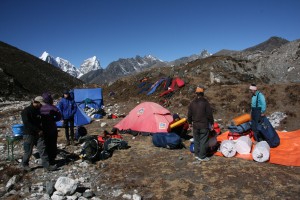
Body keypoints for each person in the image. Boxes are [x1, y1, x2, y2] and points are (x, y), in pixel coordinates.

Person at [20, 96, 57, 172]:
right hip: (29, 134)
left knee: (42, 149)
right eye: (40, 104)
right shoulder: (26, 111)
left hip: (39, 134)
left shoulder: (38, 110)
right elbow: (27, 123)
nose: (41, 106)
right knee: (28, 151)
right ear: (36, 102)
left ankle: (47, 166)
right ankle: (24, 164)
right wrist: (37, 130)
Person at [187, 86, 214, 162]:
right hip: (204, 125)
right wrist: (212, 123)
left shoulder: (192, 103)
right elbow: (209, 114)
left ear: (196, 94)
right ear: (203, 94)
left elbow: (189, 114)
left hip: (195, 125)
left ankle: (197, 154)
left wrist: (189, 123)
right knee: (203, 141)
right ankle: (202, 156)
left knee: (196, 140)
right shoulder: (205, 102)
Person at [40, 92, 61, 164]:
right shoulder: (53, 107)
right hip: (52, 128)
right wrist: (53, 120)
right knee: (53, 143)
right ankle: (52, 158)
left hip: (43, 128)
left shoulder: (40, 108)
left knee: (46, 143)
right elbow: (59, 117)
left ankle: (46, 158)